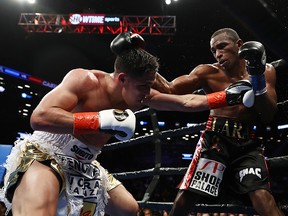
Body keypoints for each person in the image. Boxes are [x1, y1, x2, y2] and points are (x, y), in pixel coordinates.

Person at [0, 31, 160, 216]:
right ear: (123, 78)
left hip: (85, 161)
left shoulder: (140, 93)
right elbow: (39, 117)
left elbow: (182, 99)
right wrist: (97, 121)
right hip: (48, 150)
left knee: (128, 209)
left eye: (149, 85)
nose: (148, 91)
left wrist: (203, 99)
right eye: (144, 86)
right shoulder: (86, 80)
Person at [143, 28, 283, 216]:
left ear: (239, 45)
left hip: (247, 144)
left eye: (222, 47)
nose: (218, 54)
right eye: (214, 50)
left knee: (262, 198)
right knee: (187, 197)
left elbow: (268, 114)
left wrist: (257, 79)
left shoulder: (265, 70)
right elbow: (169, 89)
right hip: (215, 141)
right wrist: (141, 56)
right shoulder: (207, 72)